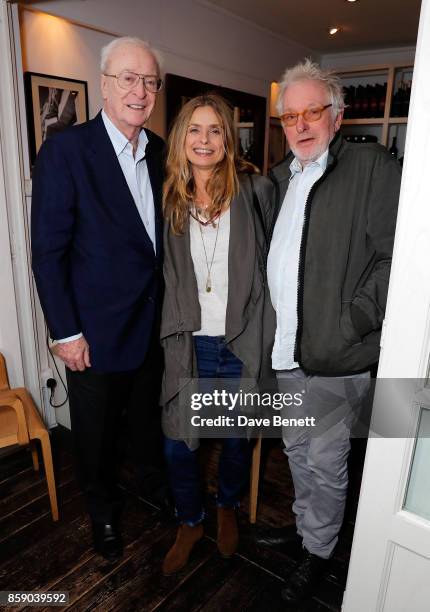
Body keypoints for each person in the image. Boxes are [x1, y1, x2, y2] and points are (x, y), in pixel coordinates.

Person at [255, 59, 401, 605]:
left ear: (336, 116)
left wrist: (354, 321)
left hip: (335, 357)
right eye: (290, 115)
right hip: (288, 352)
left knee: (326, 461)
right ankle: (303, 533)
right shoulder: (281, 179)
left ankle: (318, 554)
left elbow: (400, 258)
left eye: (313, 110)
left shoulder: (369, 168)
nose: (301, 124)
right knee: (295, 451)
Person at [31, 37, 168, 562]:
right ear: (105, 84)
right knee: (95, 435)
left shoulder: (158, 151)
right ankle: (104, 513)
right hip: (92, 332)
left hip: (152, 324)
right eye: (128, 78)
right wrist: (65, 332)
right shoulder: (67, 151)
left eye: (149, 80)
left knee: (145, 421)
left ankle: (154, 487)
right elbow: (49, 252)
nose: (140, 90)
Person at [160, 93, 275, 575]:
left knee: (235, 438)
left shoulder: (256, 191)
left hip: (239, 340)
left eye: (214, 131)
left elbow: (276, 263)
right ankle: (190, 520)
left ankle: (226, 504)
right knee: (177, 442)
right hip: (188, 341)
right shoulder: (167, 198)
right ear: (181, 138)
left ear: (228, 141)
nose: (204, 140)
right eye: (194, 130)